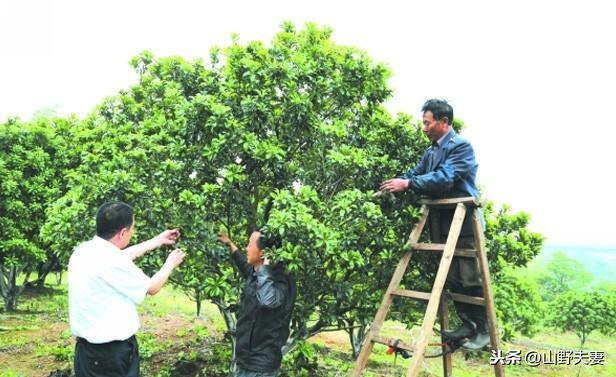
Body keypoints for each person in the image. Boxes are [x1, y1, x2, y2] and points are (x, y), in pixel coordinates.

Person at [379, 98, 489, 350]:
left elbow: (444, 178)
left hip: (464, 224)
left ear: (444, 122)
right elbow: (416, 174)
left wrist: (408, 184)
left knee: (469, 277)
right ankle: (468, 323)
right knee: (453, 279)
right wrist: (397, 182)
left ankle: (482, 328)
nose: (424, 128)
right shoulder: (431, 151)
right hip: (442, 224)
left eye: (428, 123)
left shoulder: (461, 147)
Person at [68, 201, 185, 377]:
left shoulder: (84, 251)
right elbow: (152, 287)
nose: (133, 232)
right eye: (132, 228)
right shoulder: (113, 261)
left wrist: (157, 241)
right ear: (123, 232)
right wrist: (170, 263)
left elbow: (123, 256)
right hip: (111, 356)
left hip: (87, 354)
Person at [218, 228, 296, 377]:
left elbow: (268, 301)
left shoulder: (280, 279)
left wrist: (265, 267)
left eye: (249, 244)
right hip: (245, 360)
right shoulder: (258, 273)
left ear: (263, 253)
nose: (247, 248)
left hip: (260, 368)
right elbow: (245, 265)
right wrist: (229, 243)